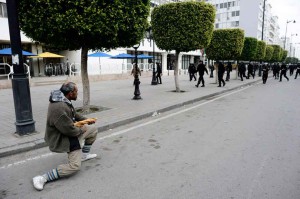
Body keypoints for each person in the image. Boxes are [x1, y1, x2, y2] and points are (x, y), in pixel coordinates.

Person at [32, 82, 98, 191]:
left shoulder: (63, 99)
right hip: (64, 138)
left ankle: (84, 155)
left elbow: (73, 114)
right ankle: (42, 178)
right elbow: (69, 130)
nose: (77, 93)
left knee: (93, 130)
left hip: (70, 131)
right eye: (76, 91)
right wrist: (82, 129)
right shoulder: (59, 107)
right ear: (71, 93)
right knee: (74, 167)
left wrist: (86, 120)